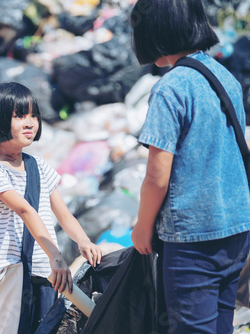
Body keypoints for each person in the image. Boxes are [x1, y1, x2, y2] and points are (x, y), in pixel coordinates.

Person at [129, 0, 250, 333]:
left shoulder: (170, 88)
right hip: (237, 229)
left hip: (194, 240)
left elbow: (157, 175)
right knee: (221, 325)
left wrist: (142, 227)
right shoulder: (225, 77)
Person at [0, 82, 102, 334]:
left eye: (33, 115)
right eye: (19, 116)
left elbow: (63, 214)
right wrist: (57, 256)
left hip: (45, 273)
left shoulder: (39, 166)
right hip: (9, 273)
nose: (30, 122)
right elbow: (25, 211)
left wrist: (84, 241)